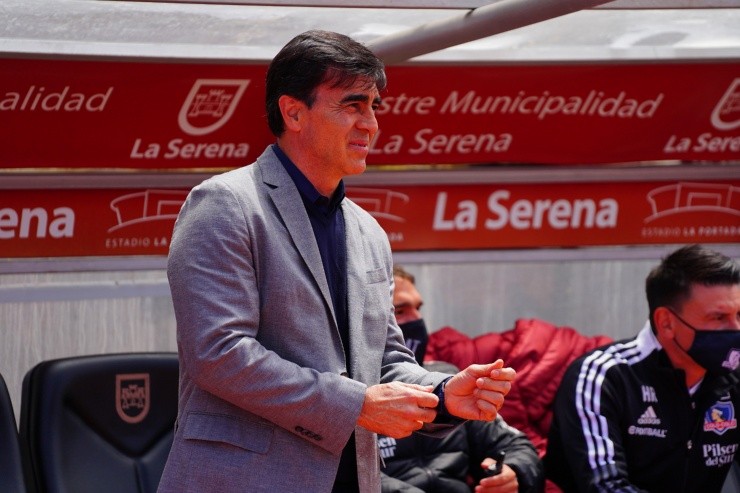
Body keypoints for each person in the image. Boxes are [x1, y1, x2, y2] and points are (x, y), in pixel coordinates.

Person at [157, 30, 515, 493]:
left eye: (374, 106)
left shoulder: (369, 232)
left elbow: (383, 360)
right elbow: (219, 354)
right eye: (352, 105)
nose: (371, 123)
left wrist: (443, 394)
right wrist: (357, 405)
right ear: (293, 112)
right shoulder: (224, 204)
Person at [545, 244, 740, 492]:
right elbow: (606, 487)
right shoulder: (602, 376)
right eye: (718, 317)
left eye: (739, 315)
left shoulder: (733, 374)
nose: (735, 328)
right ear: (666, 322)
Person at [379, 266, 545, 493]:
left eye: (418, 309)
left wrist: (513, 473)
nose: (418, 320)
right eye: (399, 311)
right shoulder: (350, 393)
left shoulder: (446, 380)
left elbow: (515, 446)